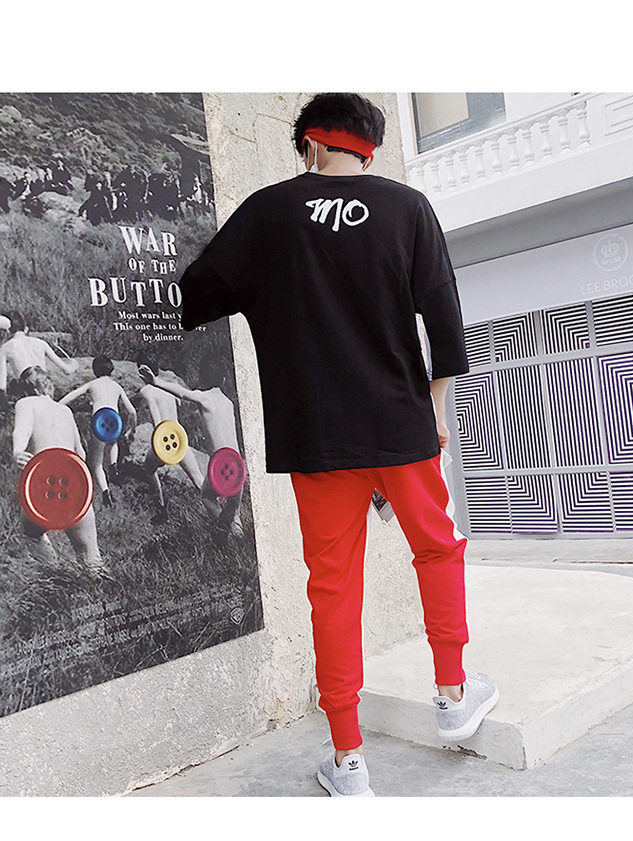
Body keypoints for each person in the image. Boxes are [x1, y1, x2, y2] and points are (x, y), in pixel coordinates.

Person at [177, 92, 498, 797]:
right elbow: (446, 325)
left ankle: (349, 760)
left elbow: (195, 296)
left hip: (316, 436)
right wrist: (435, 411)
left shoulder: (268, 212)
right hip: (402, 424)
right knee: (436, 547)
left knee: (333, 587)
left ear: (314, 145)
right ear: (367, 147)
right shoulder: (407, 208)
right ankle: (452, 693)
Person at [12, 366, 106, 576]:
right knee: (90, 553)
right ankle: (99, 585)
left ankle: (54, 573)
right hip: (73, 484)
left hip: (43, 488)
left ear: (25, 389)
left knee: (31, 533)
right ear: (48, 386)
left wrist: (18, 452)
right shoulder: (65, 411)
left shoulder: (25, 403)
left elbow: (22, 431)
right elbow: (81, 454)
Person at [137, 353, 244, 536]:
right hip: (237, 464)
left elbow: (181, 392)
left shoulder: (204, 398)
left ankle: (223, 527)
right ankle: (237, 536)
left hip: (219, 464)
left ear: (202, 378)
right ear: (224, 379)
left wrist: (155, 381)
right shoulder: (229, 403)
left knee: (207, 496)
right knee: (235, 511)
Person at [132, 353, 206, 524]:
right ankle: (219, 510)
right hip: (179, 439)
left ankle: (161, 508)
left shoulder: (147, 390)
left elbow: (155, 415)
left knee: (148, 469)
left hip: (163, 439)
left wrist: (159, 440)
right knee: (198, 479)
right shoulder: (169, 388)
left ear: (141, 371)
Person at [58, 355, 138, 506]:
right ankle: (113, 465)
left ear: (95, 370)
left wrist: (57, 405)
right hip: (114, 422)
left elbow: (72, 395)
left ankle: (105, 491)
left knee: (96, 464)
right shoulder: (117, 386)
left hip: (99, 423)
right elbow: (132, 411)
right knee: (113, 441)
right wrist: (131, 430)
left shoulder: (92, 384)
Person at [0, 311, 78, 398]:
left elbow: (2, 384)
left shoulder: (6, 348)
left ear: (6, 330)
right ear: (24, 326)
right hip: (45, 386)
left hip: (27, 389)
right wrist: (74, 364)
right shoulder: (41, 343)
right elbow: (67, 370)